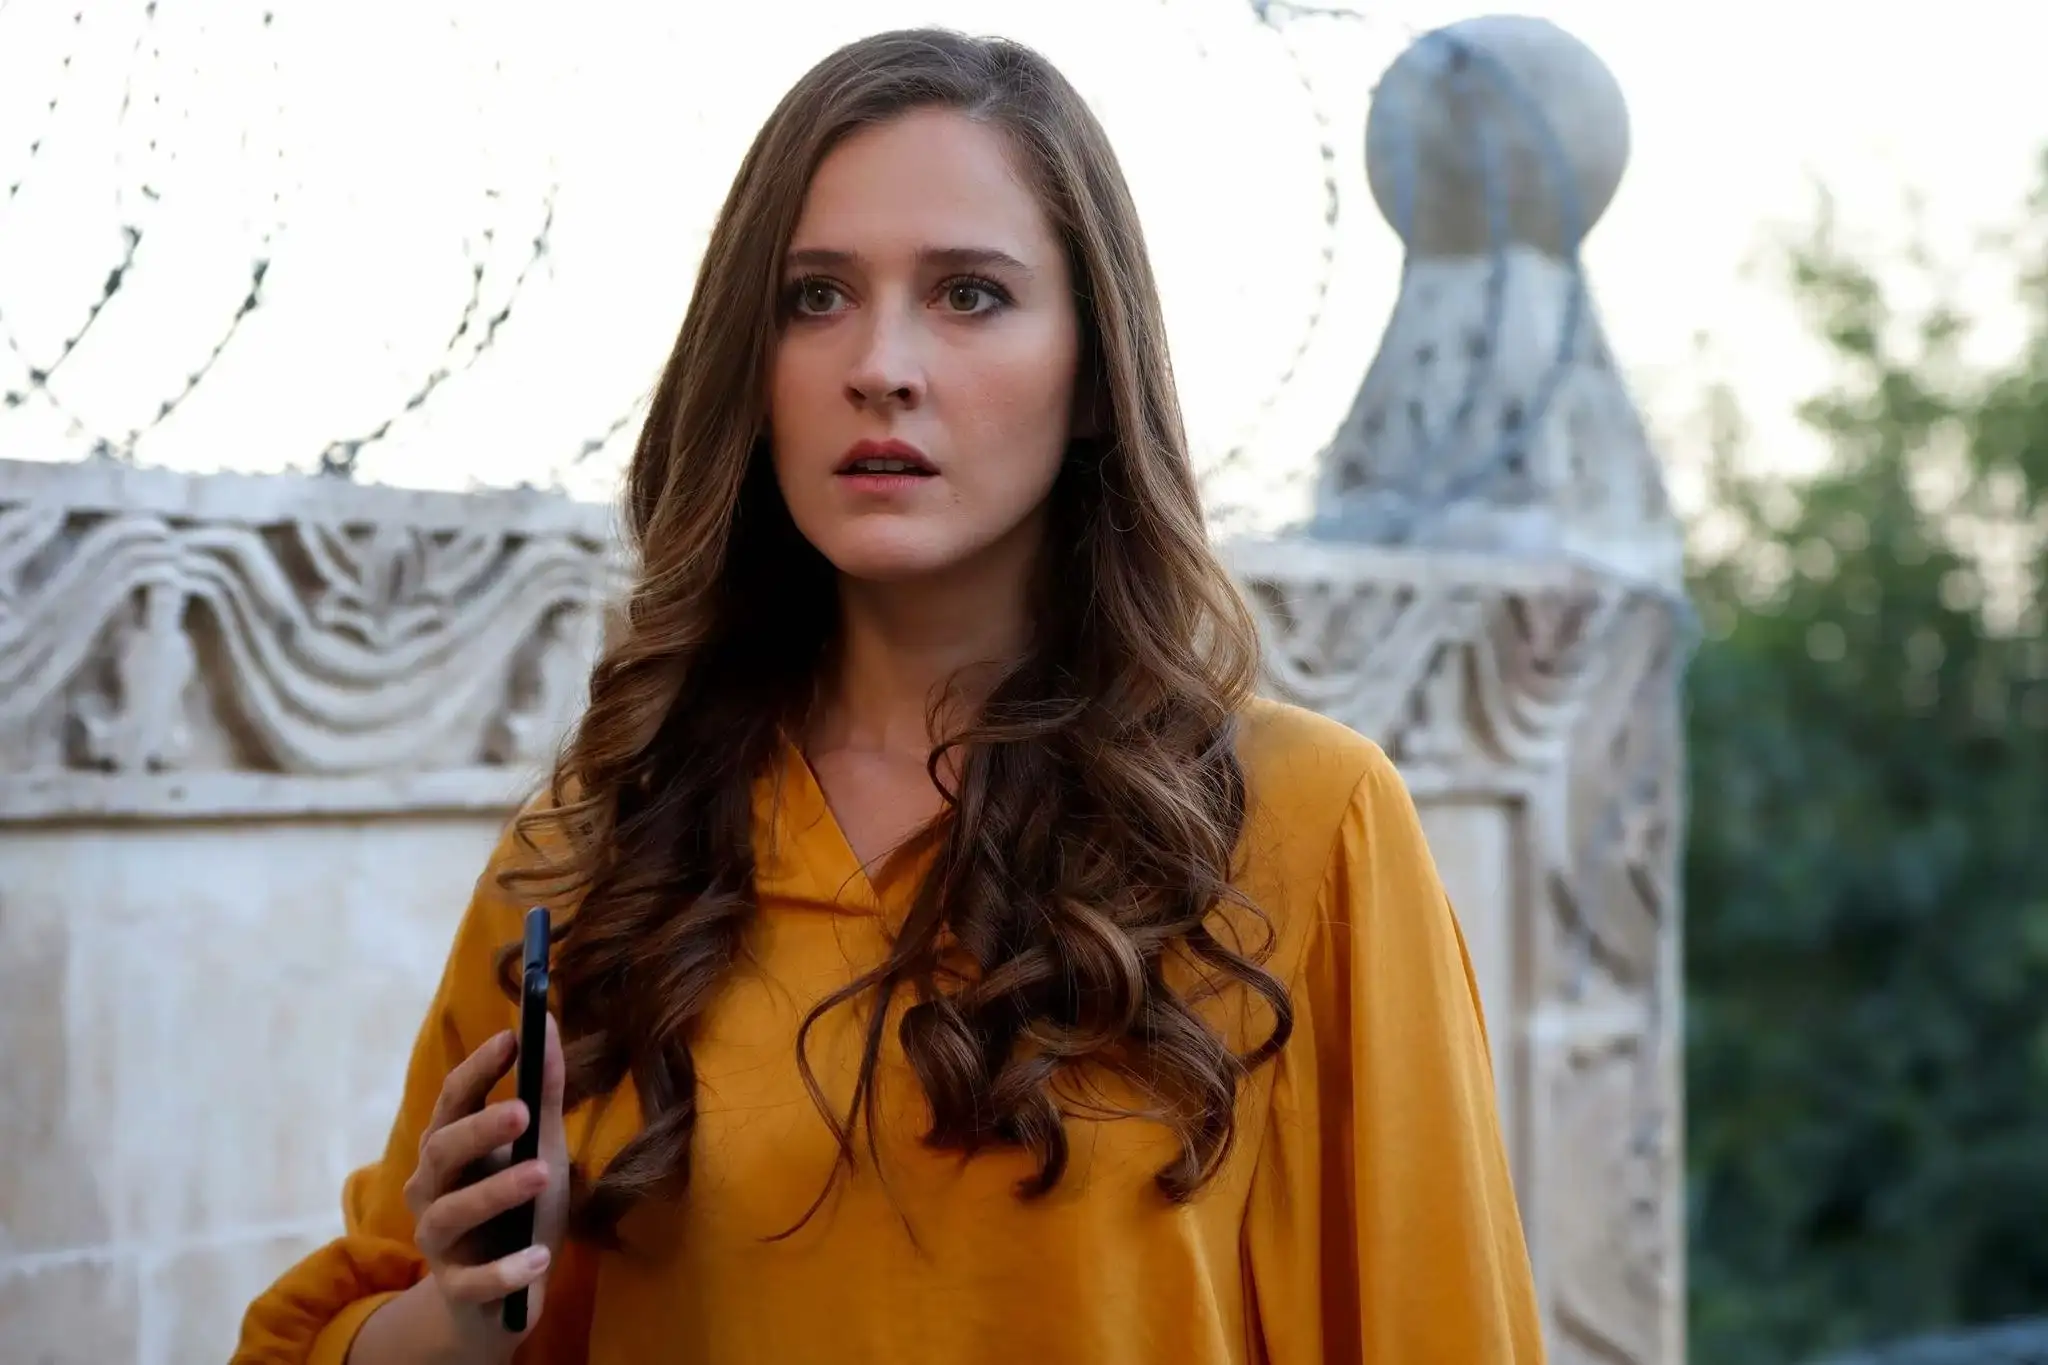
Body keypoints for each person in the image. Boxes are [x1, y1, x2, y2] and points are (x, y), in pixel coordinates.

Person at [233, 26, 1543, 1365]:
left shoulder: (1302, 824)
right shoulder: (596, 848)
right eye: (815, 297)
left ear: (1096, 374)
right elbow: (343, 1328)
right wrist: (462, 1315)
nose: (881, 364)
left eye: (970, 294)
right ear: (751, 364)